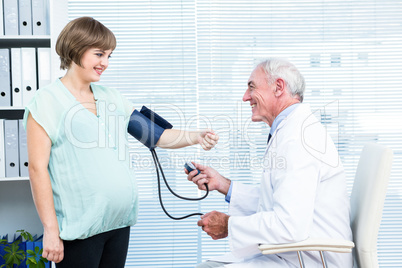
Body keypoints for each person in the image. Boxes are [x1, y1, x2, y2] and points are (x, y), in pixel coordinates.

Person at [24, 17, 219, 267]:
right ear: (76, 48)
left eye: (109, 56)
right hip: (81, 230)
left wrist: (196, 136)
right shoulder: (46, 102)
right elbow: (37, 169)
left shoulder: (112, 97)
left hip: (119, 224)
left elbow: (156, 136)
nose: (105, 63)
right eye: (99, 54)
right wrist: (50, 230)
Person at [186, 58, 353, 267]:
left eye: (251, 87)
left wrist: (229, 225)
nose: (245, 97)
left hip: (308, 259)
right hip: (293, 253)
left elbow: (288, 224)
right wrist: (223, 185)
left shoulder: (299, 139)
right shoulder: (290, 131)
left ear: (279, 87)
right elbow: (278, 201)